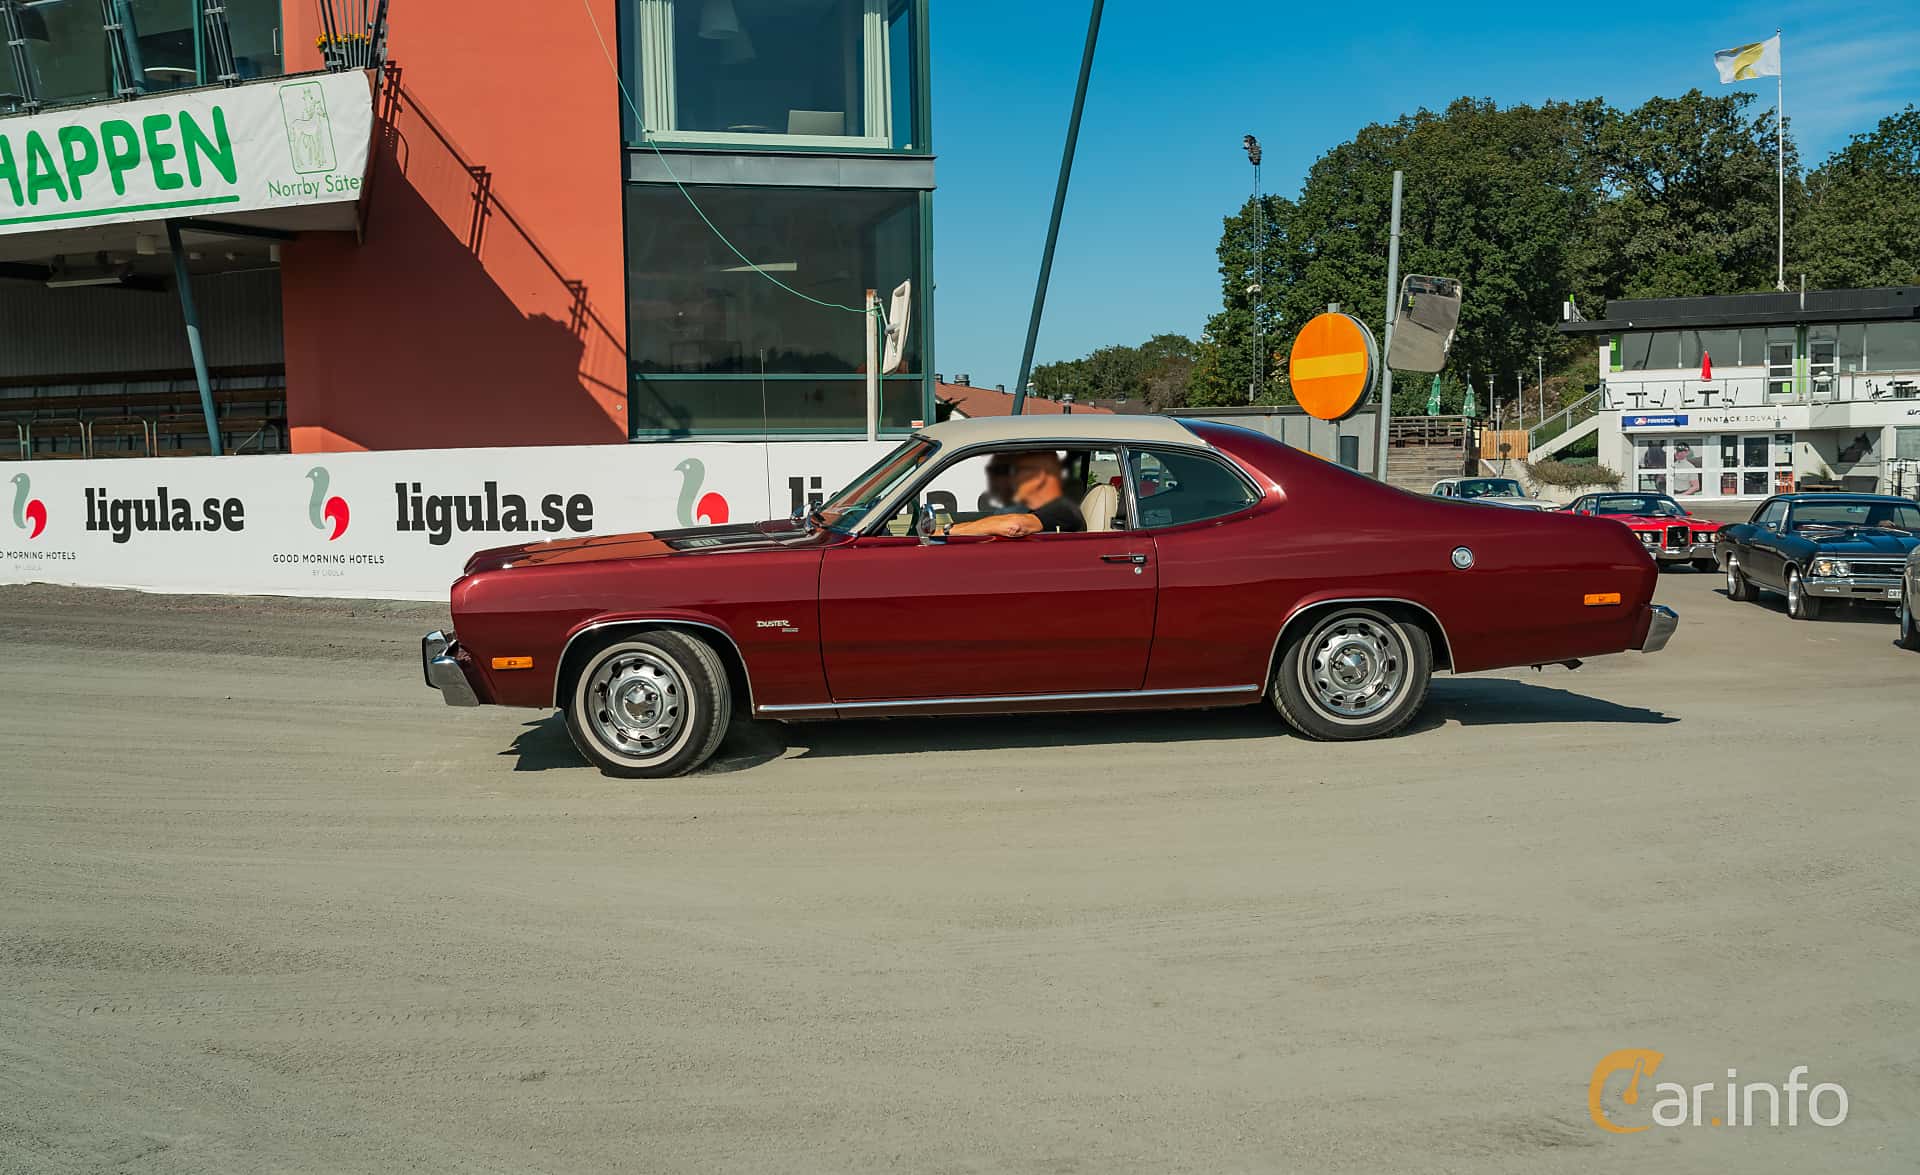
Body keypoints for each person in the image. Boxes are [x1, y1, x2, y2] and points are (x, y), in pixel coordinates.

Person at [947, 450, 1085, 537]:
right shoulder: (1027, 508)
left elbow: (1014, 526)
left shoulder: (1062, 509)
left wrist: (948, 531)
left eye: (1018, 471)